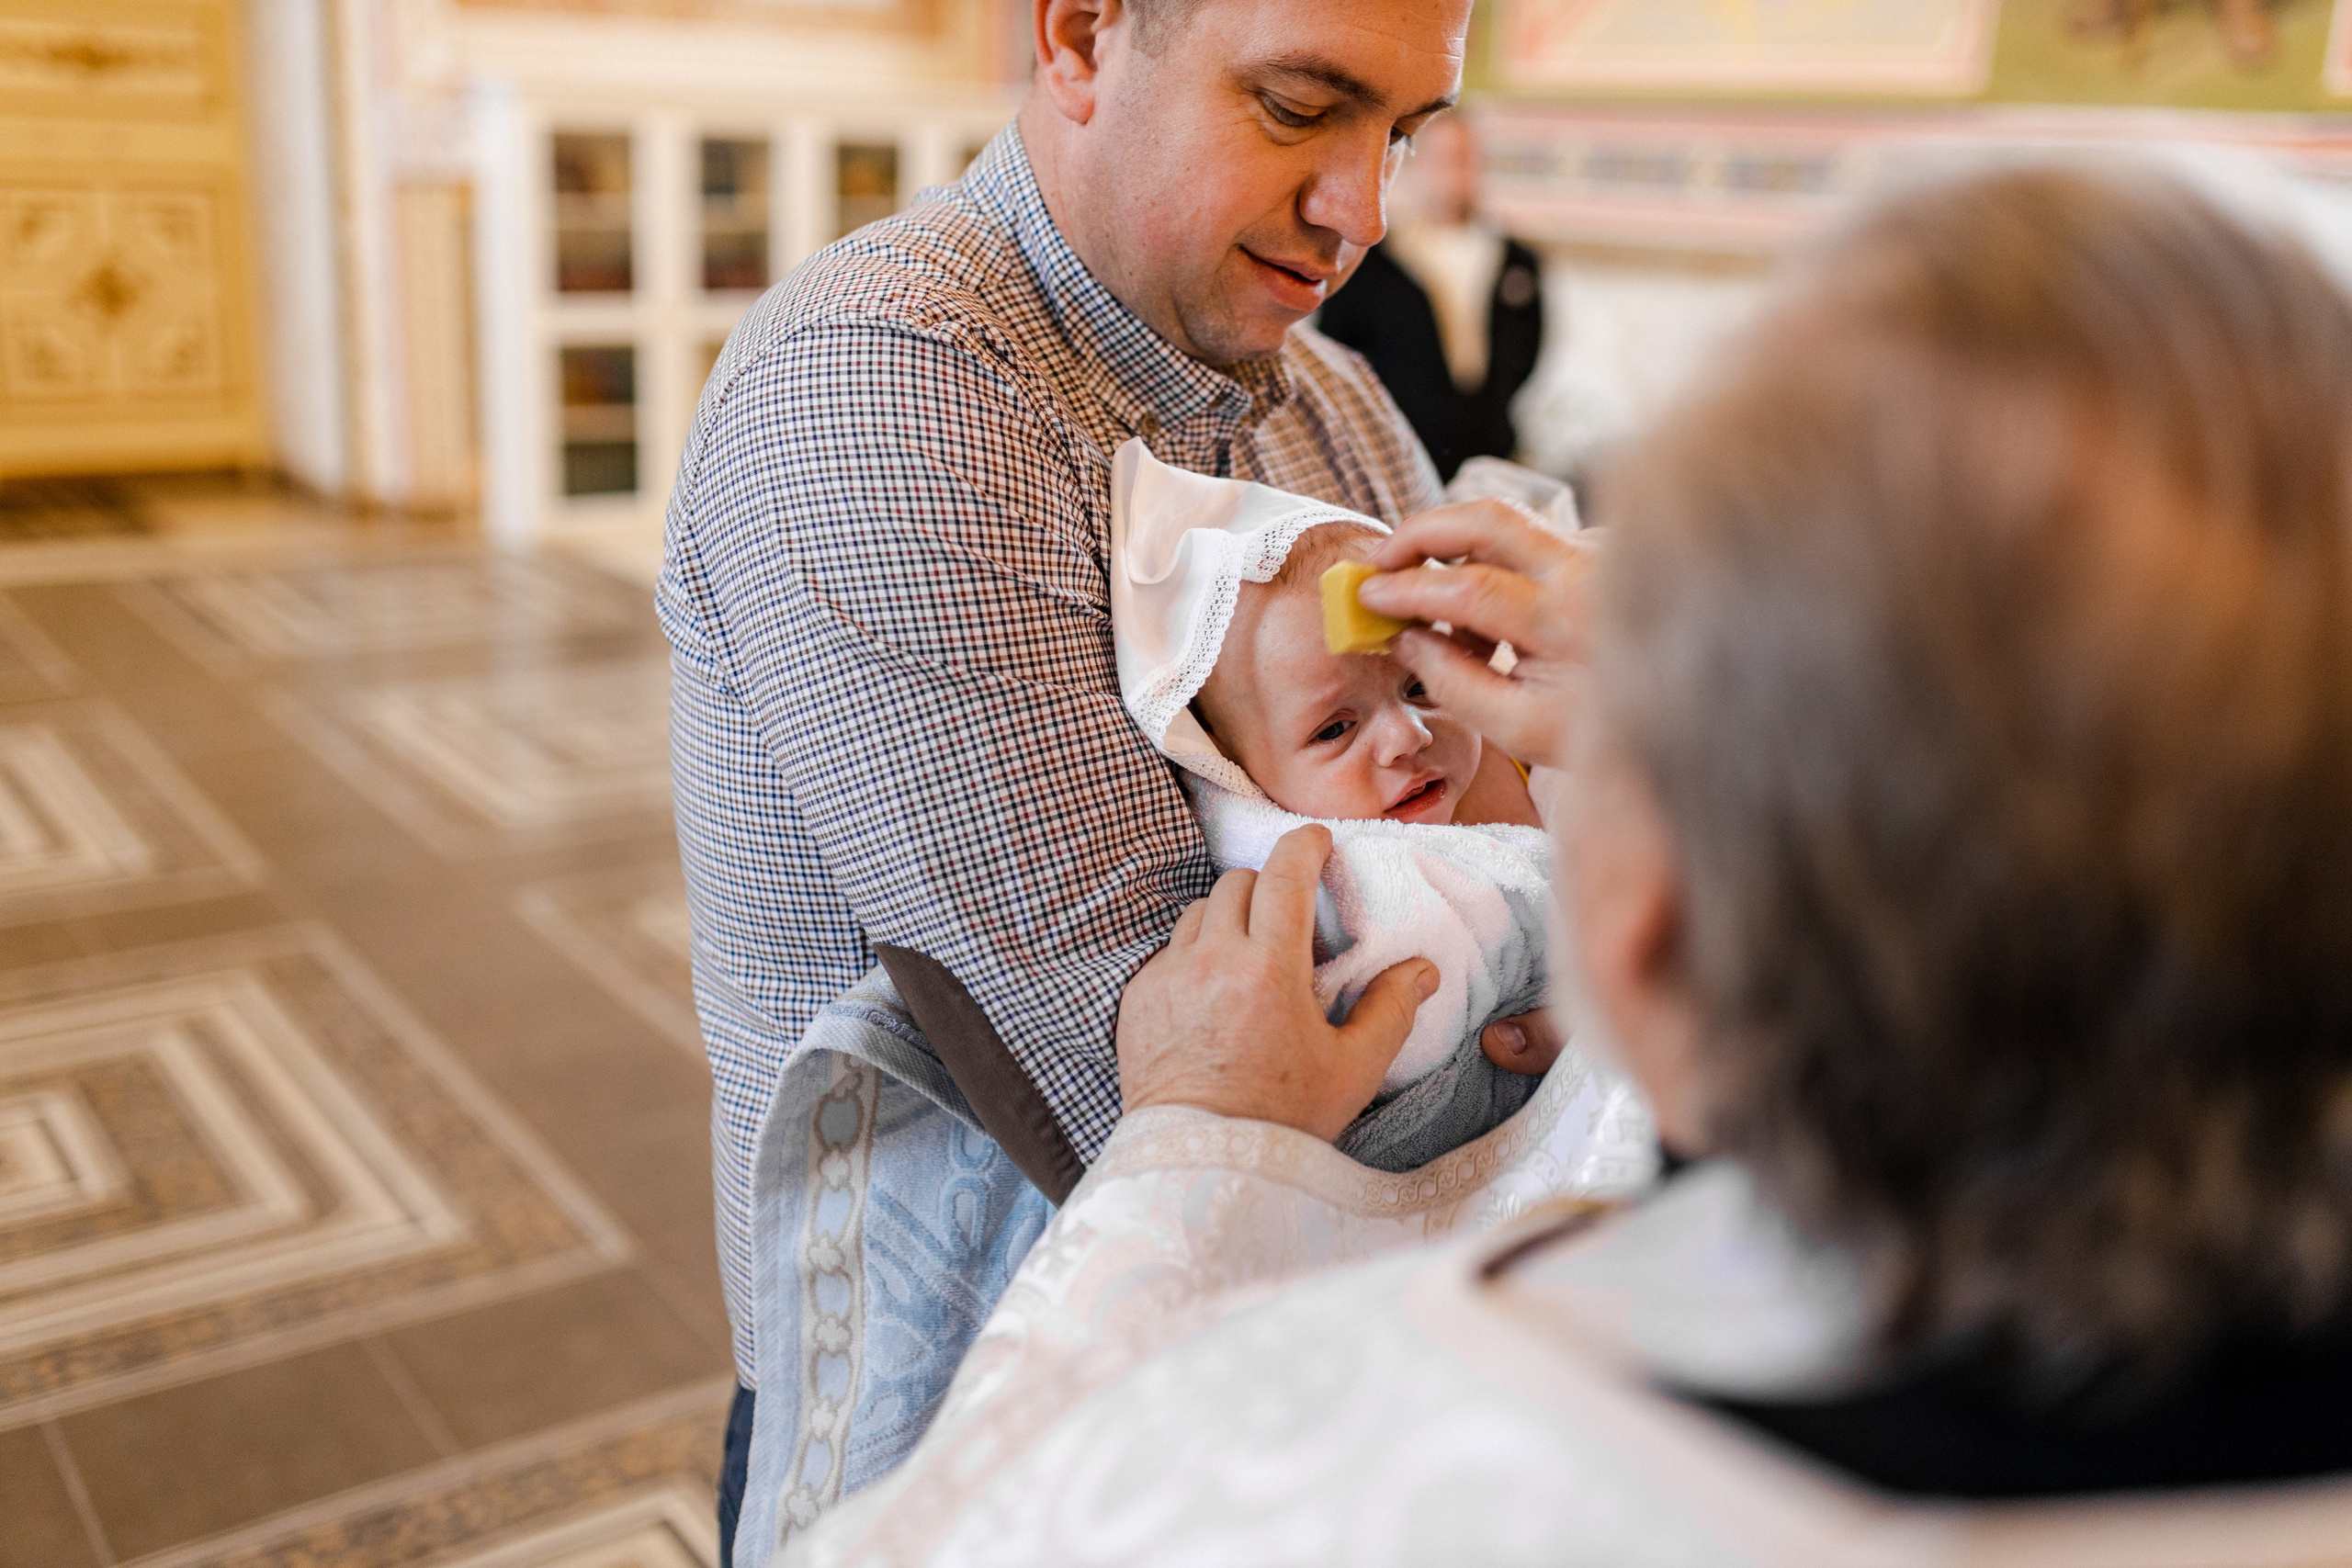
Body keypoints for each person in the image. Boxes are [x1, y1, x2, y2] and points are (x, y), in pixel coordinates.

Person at [781, 163, 2352, 1562]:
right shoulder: (880, 385)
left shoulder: (1313, 1465)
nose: (1360, 209)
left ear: (1650, 940)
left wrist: (1192, 1155)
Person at [657, 1, 1564, 1558]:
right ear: (1078, 34)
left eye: (1400, 133)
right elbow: (1151, 1103)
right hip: (956, 1424)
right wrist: (1571, 1011)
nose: (1363, 210)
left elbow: (1492, 841)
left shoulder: (1332, 403)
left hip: (1274, 1385)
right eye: (1299, 107)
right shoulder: (885, 383)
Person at [1105, 438, 1644, 1174]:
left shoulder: (1542, 745)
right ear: (1242, 780)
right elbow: (1405, 1022)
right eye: (1334, 727)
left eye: (1419, 686)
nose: (1408, 734)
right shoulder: (1341, 884)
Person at [1315, 113, 1547, 480]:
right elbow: (1338, 345)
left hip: (1489, 440)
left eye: (1463, 157)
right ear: (1417, 164)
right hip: (1396, 443)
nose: (1452, 171)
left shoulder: (1515, 258)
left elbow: (1529, 345)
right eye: (1441, 158)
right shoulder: (1378, 258)